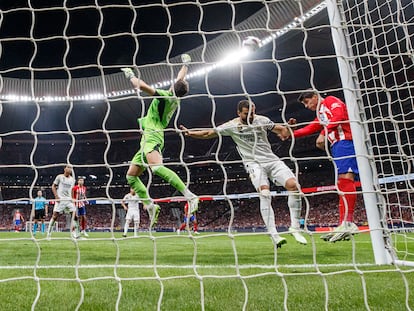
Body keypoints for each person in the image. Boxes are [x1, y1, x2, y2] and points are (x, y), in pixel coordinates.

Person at [180, 99, 307, 247]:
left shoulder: (262, 120)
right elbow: (208, 133)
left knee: (294, 185)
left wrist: (289, 127)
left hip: (271, 160)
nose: (250, 117)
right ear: (239, 113)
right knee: (265, 193)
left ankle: (295, 228)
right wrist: (190, 133)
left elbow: (282, 131)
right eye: (246, 114)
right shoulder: (232, 126)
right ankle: (274, 234)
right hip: (253, 164)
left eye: (252, 113)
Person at [121, 54, 199, 229]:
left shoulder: (164, 95)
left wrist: (130, 75)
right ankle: (150, 205)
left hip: (153, 136)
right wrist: (186, 64)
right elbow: (181, 78)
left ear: (173, 86)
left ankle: (190, 196)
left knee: (156, 168)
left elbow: (140, 86)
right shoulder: (175, 98)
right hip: (147, 138)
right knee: (131, 176)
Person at [279, 91, 359, 242]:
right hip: (337, 144)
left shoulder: (329, 100)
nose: (307, 106)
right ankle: (344, 223)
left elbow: (340, 115)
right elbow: (311, 127)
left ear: (315, 97)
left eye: (308, 102)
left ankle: (348, 222)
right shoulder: (321, 113)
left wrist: (324, 132)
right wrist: (291, 134)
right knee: (342, 183)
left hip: (345, 141)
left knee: (346, 179)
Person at [47, 164, 79, 239]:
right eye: (68, 167)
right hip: (60, 200)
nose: (70, 169)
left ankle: (75, 233)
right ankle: (49, 233)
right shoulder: (59, 177)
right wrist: (56, 197)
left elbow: (71, 190)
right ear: (64, 169)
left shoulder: (72, 180)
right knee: (55, 216)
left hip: (68, 200)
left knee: (75, 216)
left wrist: (72, 198)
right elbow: (53, 186)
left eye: (71, 168)